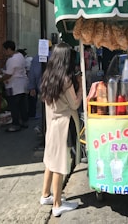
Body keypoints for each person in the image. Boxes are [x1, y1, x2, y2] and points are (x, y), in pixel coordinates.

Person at [39, 42, 82, 217]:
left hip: (51, 123)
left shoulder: (48, 75)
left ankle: (45, 194)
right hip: (63, 124)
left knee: (50, 160)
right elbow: (75, 103)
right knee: (59, 164)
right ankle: (57, 204)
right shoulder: (66, 80)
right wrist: (81, 86)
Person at [0, 40, 28, 132]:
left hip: (14, 86)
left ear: (8, 49)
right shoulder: (19, 56)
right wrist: (0, 71)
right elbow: (7, 69)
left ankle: (15, 124)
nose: (3, 52)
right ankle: (24, 121)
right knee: (21, 105)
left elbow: (8, 74)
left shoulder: (12, 59)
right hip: (22, 85)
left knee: (14, 106)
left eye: (4, 50)